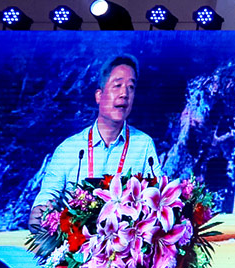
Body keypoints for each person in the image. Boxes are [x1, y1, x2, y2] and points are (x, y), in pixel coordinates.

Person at [29, 55, 161, 228]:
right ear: (99, 95)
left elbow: (158, 195)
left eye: (131, 87)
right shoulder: (69, 149)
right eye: (117, 85)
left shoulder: (143, 145)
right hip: (75, 242)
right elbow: (48, 196)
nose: (124, 94)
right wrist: (40, 211)